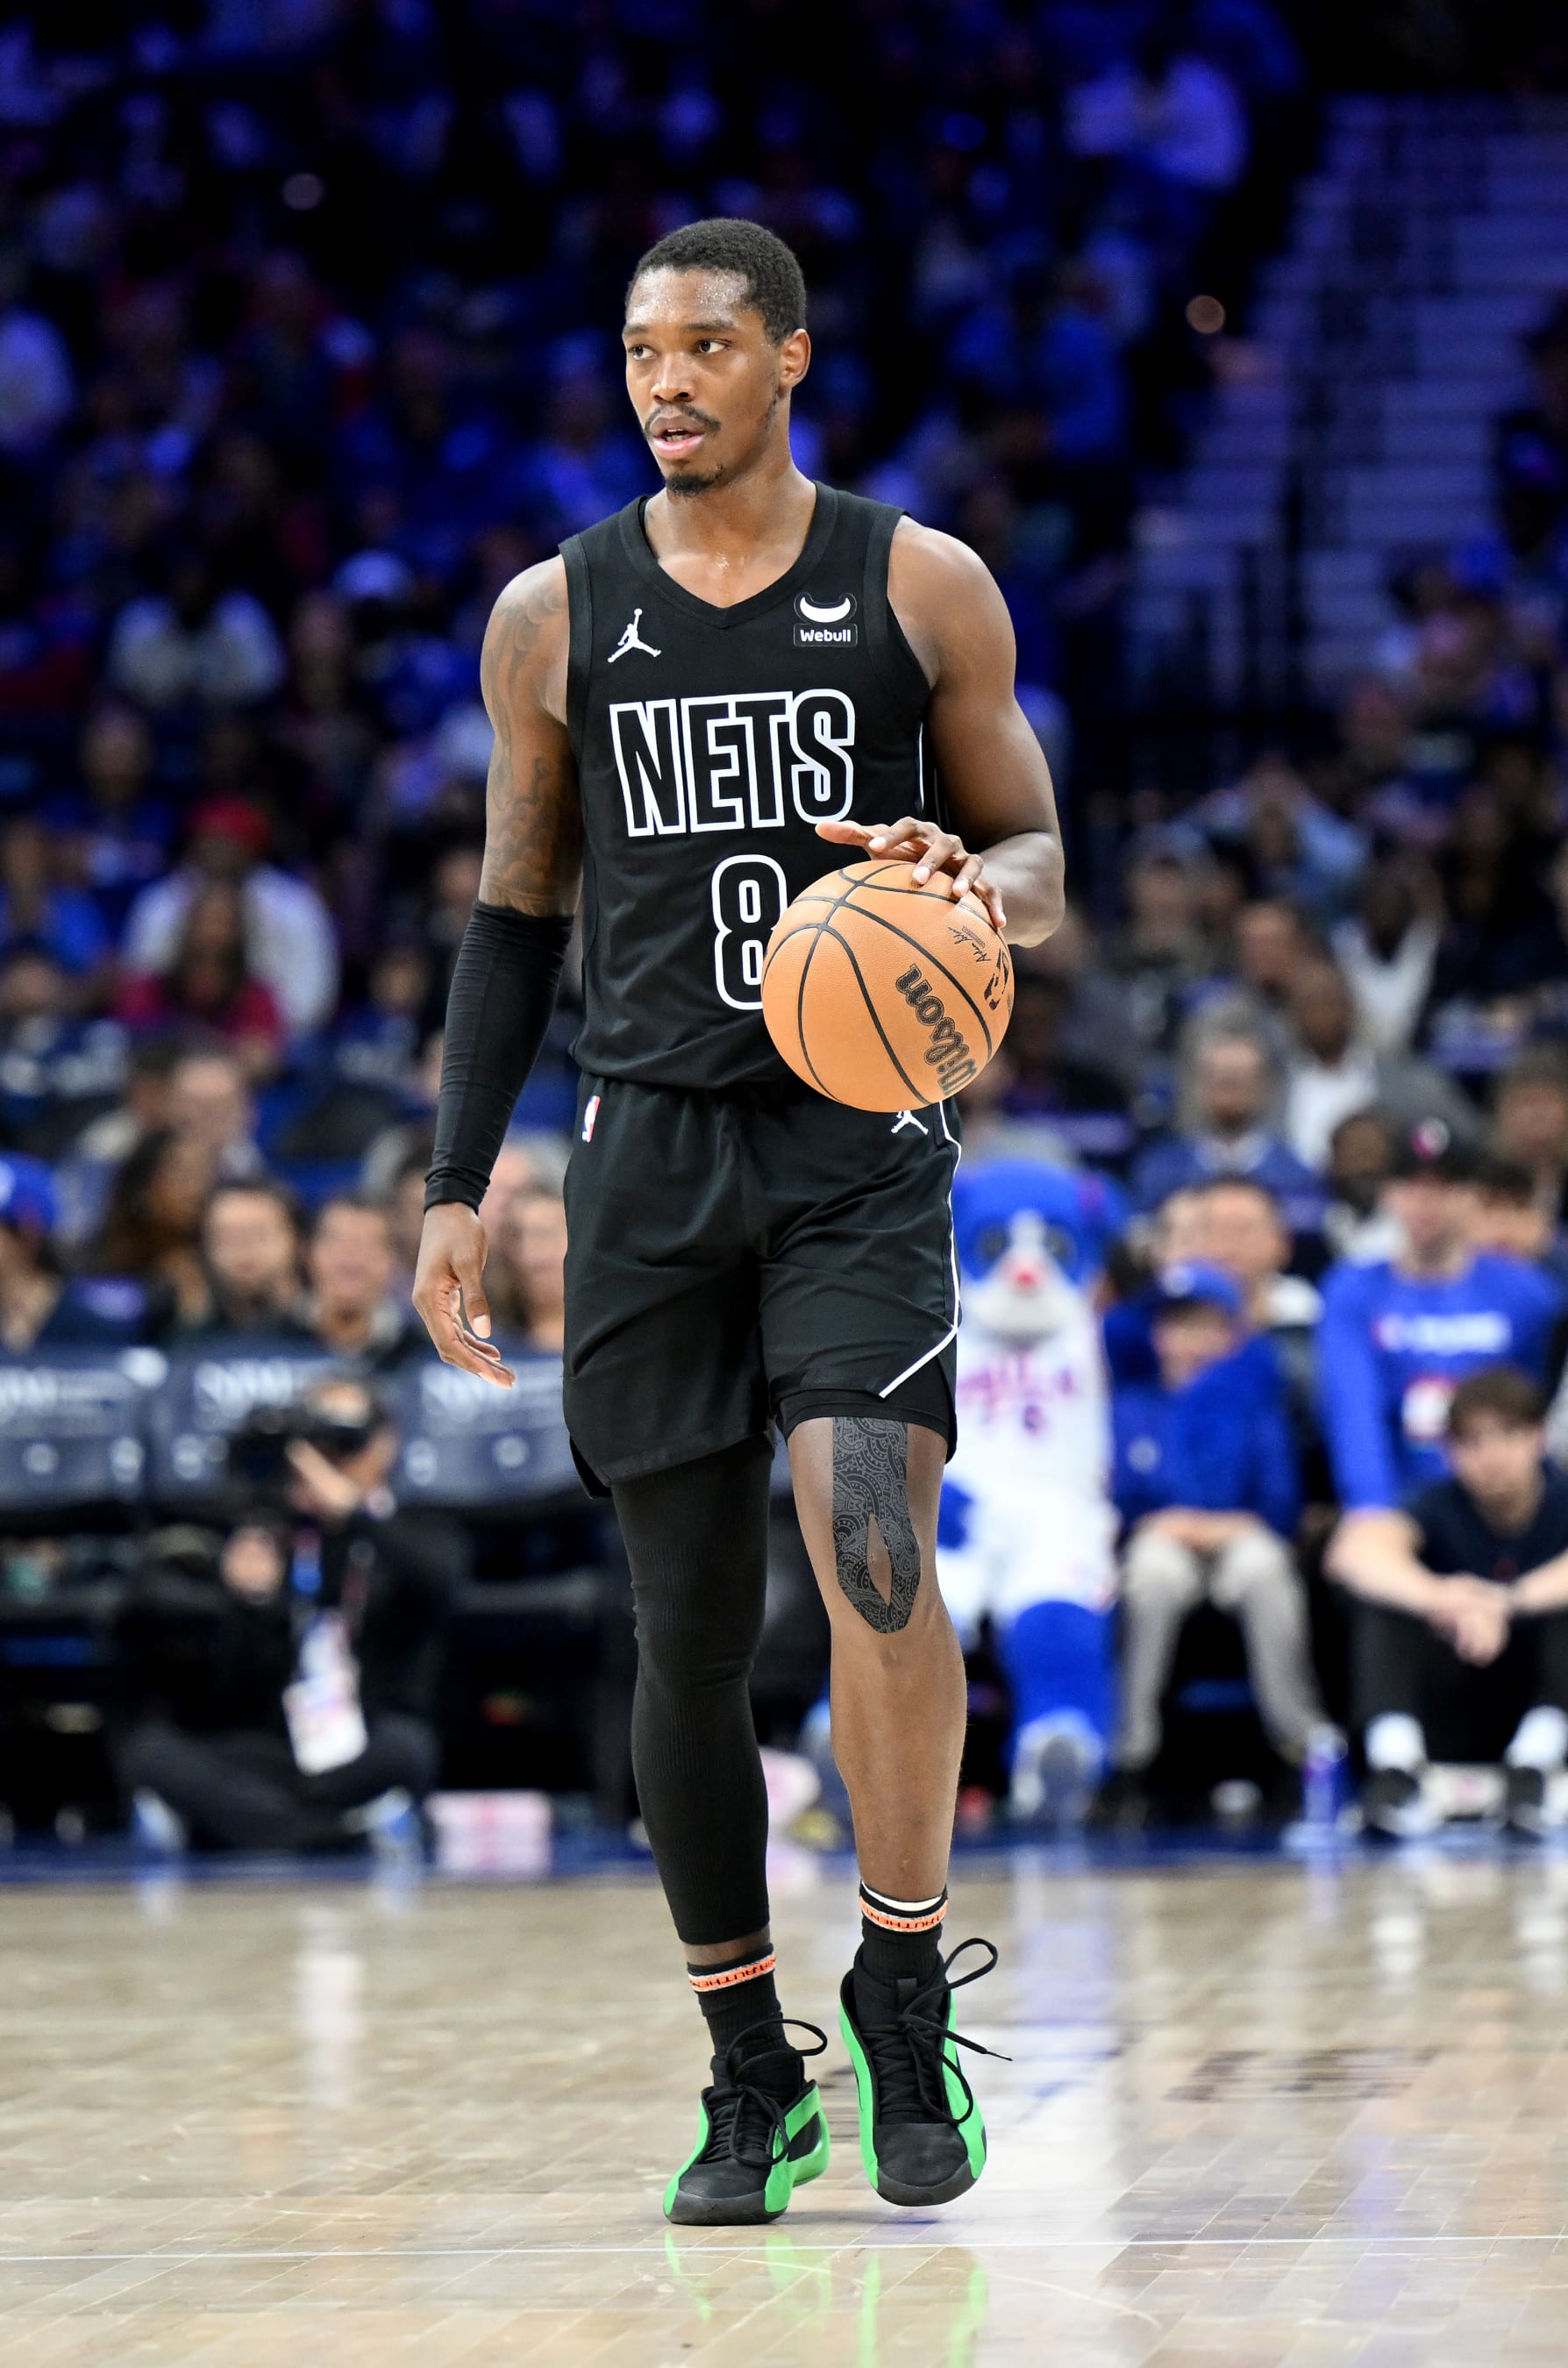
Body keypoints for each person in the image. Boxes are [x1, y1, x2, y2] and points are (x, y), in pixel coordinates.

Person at [413, 218, 1065, 2225]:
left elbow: (1040, 860)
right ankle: (741, 2060)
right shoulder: (557, 611)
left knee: (873, 1540)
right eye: (637, 350)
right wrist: (453, 1183)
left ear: (789, 356)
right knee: (681, 1631)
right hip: (648, 1154)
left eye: (705, 345)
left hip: (857, 1140)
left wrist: (966, 883)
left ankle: (892, 1973)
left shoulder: (915, 582)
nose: (665, 380)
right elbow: (515, 912)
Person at [120, 1374, 460, 1854]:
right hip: (281, 1743)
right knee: (150, 1752)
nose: (323, 1459)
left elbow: (442, 1580)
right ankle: (340, 1836)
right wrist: (249, 1601)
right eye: (311, 1442)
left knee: (409, 1751)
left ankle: (237, 1825)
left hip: (365, 1737)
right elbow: (234, 1686)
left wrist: (354, 1513)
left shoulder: (413, 1523)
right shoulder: (274, 1533)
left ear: (383, 1445)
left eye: (343, 1438)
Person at [1101, 1263, 1321, 1820]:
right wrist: (1151, 1523)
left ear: (1231, 1334)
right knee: (1151, 1577)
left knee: (1265, 1573)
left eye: (1206, 1325)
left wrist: (1224, 1526)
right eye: (1177, 1325)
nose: (1192, 1340)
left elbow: (1280, 1501)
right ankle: (1130, 1755)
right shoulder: (1131, 1407)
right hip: (1158, 1539)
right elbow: (1116, 1499)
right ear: (1155, 1334)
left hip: (1240, 1536)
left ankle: (1301, 1745)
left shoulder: (1255, 1404)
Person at [1327, 1366, 1568, 1840]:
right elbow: (1351, 1553)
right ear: (1450, 1453)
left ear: (1539, 1437)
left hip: (1542, 1693)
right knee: (1385, 1602)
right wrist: (1443, 1597)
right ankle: (1395, 1770)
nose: (1491, 1456)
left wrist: (1506, 1601)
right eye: (1471, 1442)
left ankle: (1536, 1768)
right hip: (1453, 1693)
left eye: (1506, 1435)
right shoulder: (1436, 1503)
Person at [1317, 1127, 1564, 1514]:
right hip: (1403, 1504)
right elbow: (1354, 1414)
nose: (1425, 1202)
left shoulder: (1527, 1292)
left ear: (1471, 1196)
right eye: (1410, 1186)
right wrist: (1372, 1511)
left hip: (1509, 1506)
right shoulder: (1354, 1291)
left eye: (1443, 1188)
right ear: (1388, 1193)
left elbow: (1541, 1404)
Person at [122, 795, 339, 1037]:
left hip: (280, 1039)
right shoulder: (163, 901)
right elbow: (139, 984)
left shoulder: (296, 905)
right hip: (168, 1041)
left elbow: (312, 998)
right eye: (210, 839)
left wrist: (268, 1041)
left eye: (228, 840)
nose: (218, 850)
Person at [1130, 1017, 1322, 1234]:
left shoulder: (1295, 1174)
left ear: (1264, 1086)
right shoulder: (1160, 1168)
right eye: (1221, 1079)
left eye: (1240, 1080)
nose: (1229, 1092)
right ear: (1198, 1086)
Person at [116, 881, 285, 1078]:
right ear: (187, 925)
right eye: (204, 920)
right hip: (158, 1092)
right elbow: (128, 1047)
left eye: (221, 922)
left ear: (239, 931)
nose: (210, 933)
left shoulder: (258, 997)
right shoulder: (147, 990)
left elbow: (261, 1060)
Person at [305, 1191, 424, 1366]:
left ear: (393, 1261)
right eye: (338, 1242)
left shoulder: (418, 1352)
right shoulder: (273, 1341)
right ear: (310, 1253)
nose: (351, 1257)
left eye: (369, 1245)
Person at [180, 1180, 305, 1340]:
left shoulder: (331, 1334)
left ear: (298, 1242)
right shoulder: (187, 1339)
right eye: (227, 1237)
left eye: (258, 1234)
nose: (243, 1249)